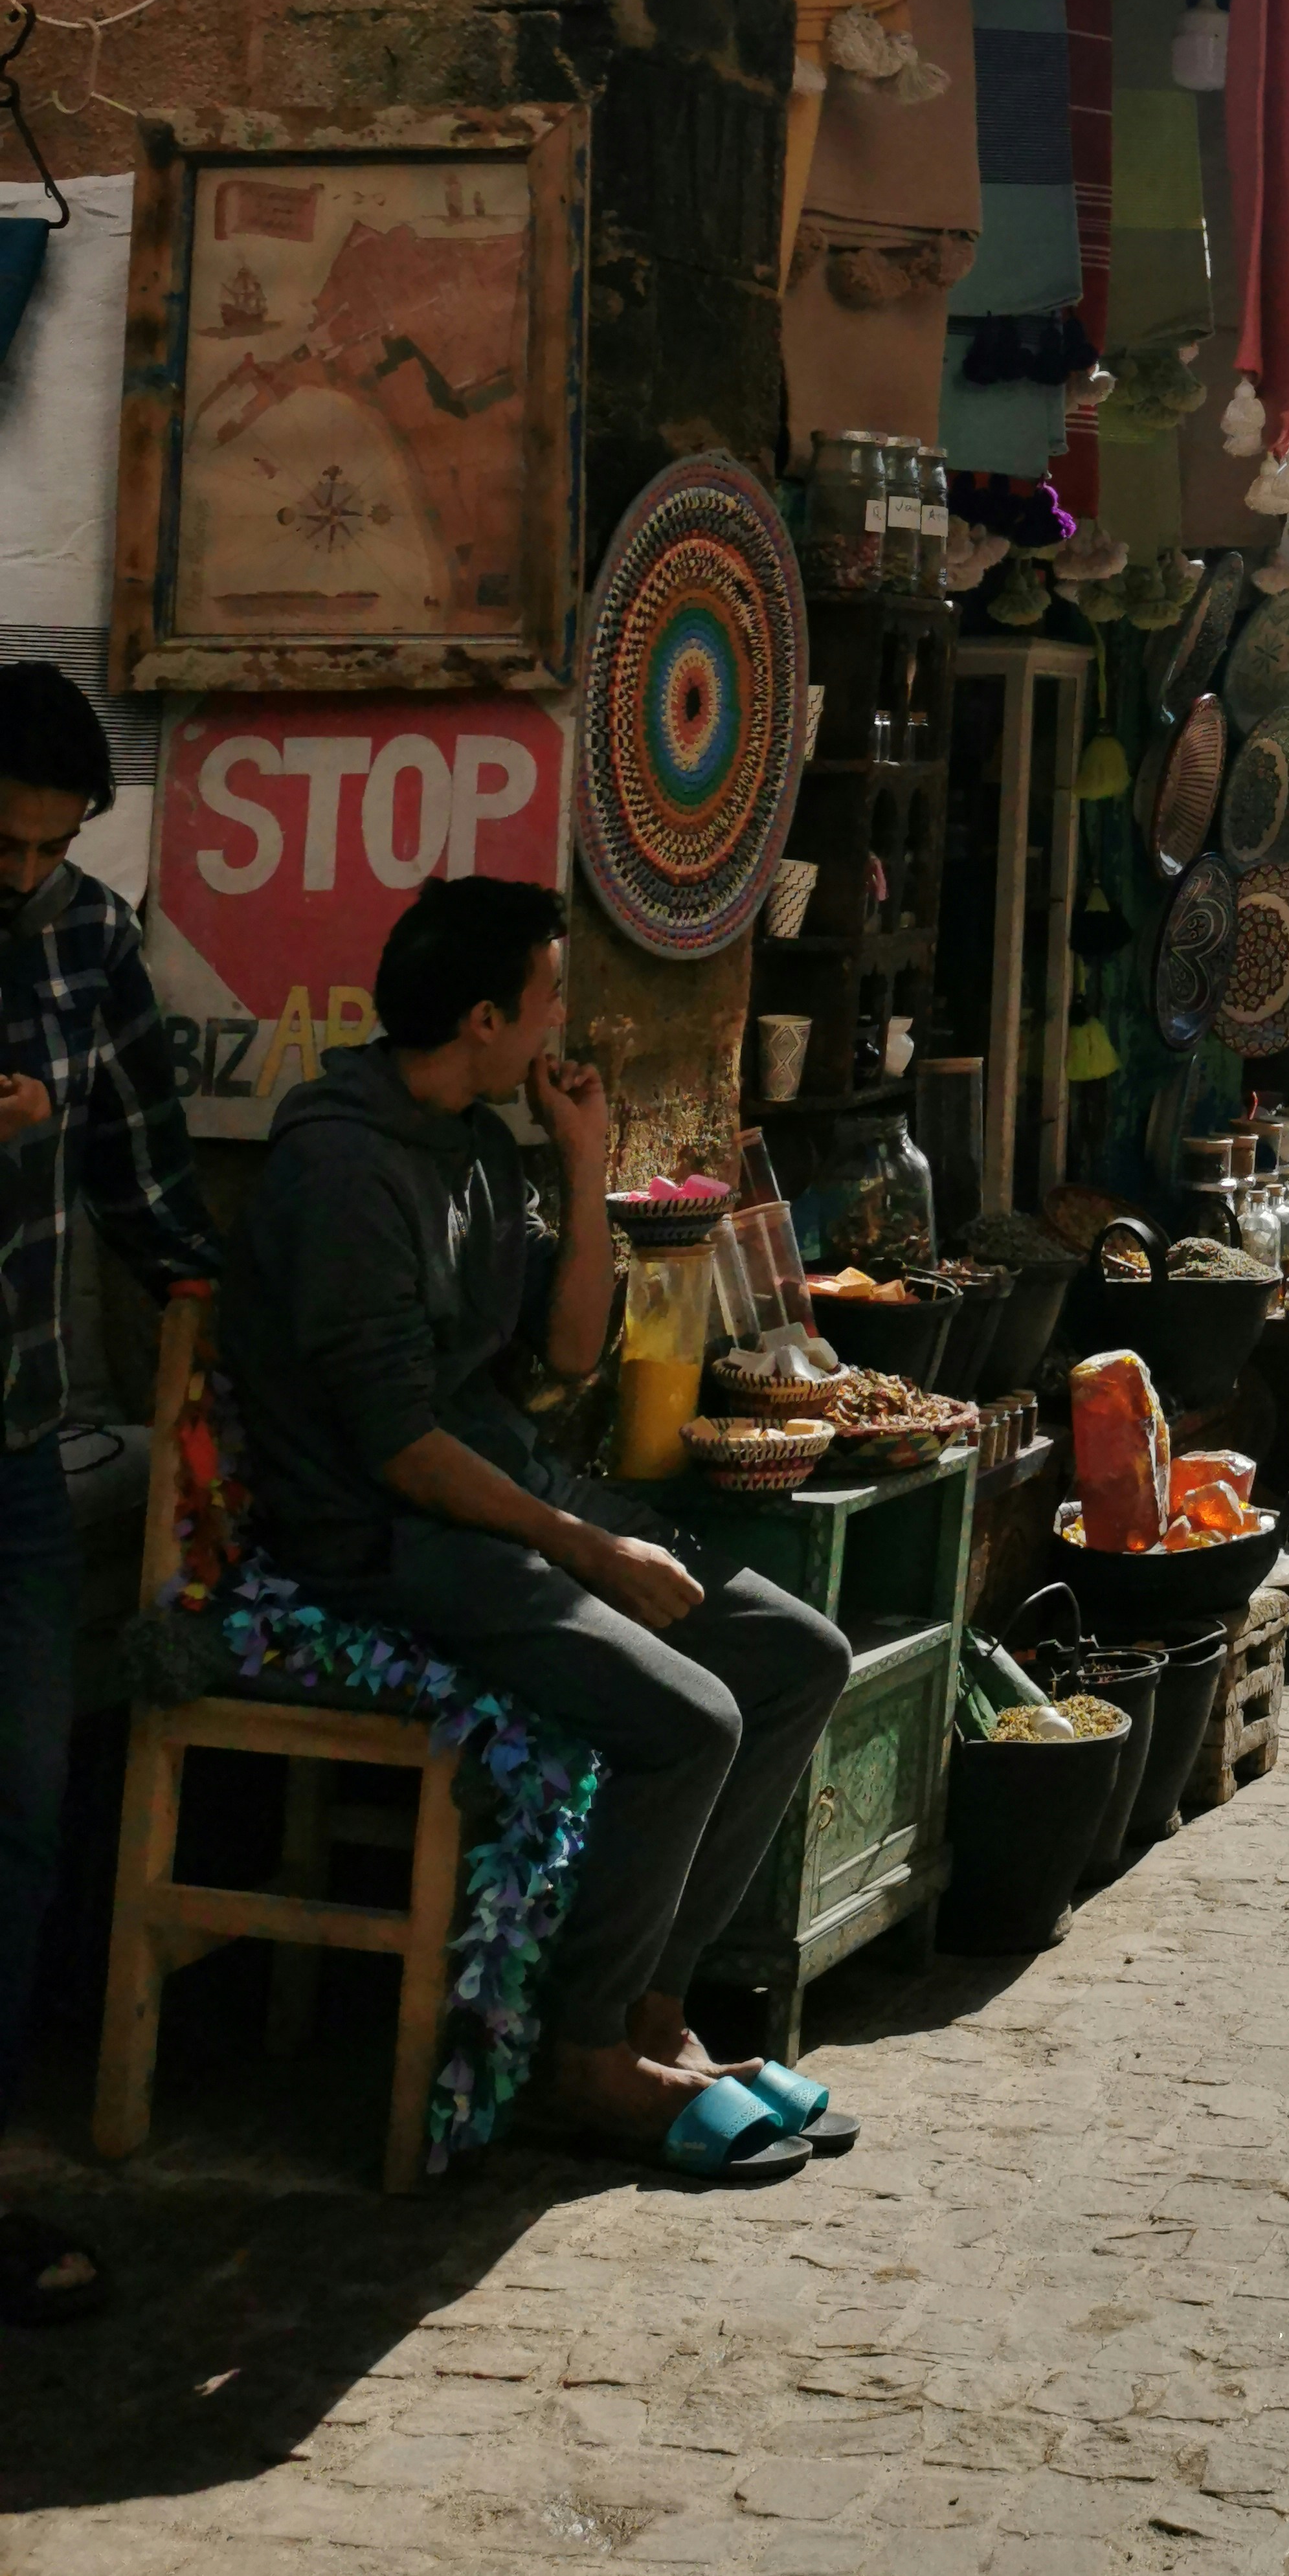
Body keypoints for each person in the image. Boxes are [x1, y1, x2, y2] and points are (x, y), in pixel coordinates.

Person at [220, 875, 855, 2187]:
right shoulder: (341, 1166)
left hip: (507, 1496)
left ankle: (650, 2014)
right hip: (382, 1540)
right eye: (553, 996)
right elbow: (399, 1447)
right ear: (487, 1015)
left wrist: (580, 1161)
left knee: (797, 1658)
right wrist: (584, 1551)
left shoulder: (469, 1140)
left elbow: (564, 1358)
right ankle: (579, 2058)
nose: (567, 1019)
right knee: (689, 1719)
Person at [0, 663, 218, 2334]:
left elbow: (149, 1185)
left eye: (45, 847)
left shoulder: (86, 937)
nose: (19, 874)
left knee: (20, 1820)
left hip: (17, 1443)